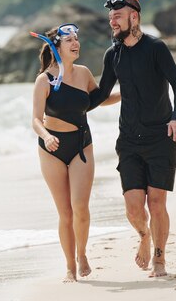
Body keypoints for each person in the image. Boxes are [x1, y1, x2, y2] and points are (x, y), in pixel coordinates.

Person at [88, 0, 176, 277]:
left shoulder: (156, 48)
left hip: (160, 137)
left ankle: (159, 258)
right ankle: (144, 235)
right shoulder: (113, 55)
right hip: (129, 140)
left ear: (134, 16)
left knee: (156, 203)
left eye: (117, 17)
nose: (112, 23)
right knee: (133, 209)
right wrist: (69, 106)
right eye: (110, 19)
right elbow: (101, 94)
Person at [32, 23, 120, 283]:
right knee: (65, 213)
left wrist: (127, 92)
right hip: (52, 149)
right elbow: (36, 119)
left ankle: (82, 254)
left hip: (81, 144)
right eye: (69, 40)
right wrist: (47, 136)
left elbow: (98, 100)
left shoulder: (83, 74)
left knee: (80, 207)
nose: (75, 43)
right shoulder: (44, 80)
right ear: (56, 47)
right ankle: (70, 266)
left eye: (76, 39)